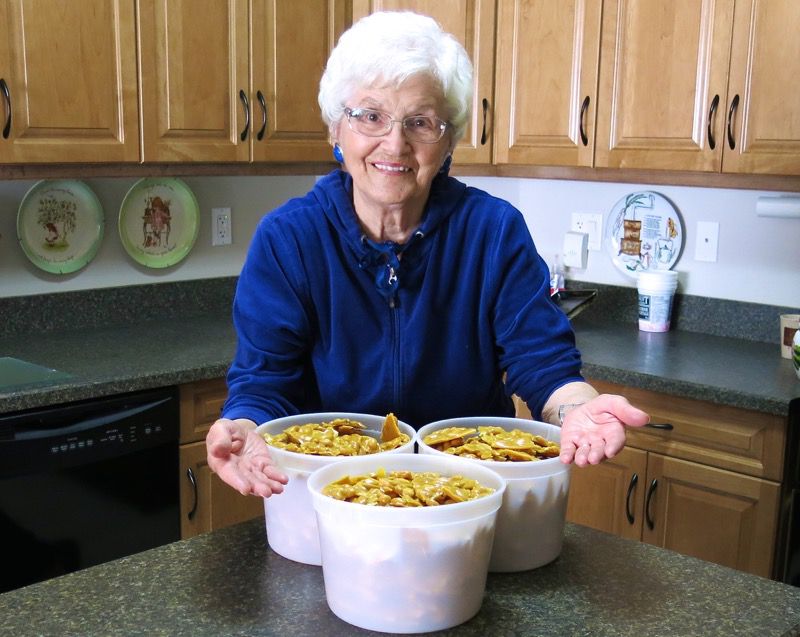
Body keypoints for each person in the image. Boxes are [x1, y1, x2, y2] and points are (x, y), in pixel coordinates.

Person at [206, 11, 650, 498]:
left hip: (467, 497)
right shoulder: (288, 239)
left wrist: (577, 409)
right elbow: (264, 381)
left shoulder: (493, 232)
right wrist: (243, 426)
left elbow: (543, 363)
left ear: (449, 140)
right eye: (370, 116)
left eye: (421, 122)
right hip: (332, 497)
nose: (394, 144)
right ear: (336, 129)